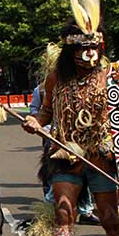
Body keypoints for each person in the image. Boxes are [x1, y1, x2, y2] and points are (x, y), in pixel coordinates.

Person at [22, 0, 119, 236]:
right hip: (63, 157)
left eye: (93, 49)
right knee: (63, 214)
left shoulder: (111, 76)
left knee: (110, 219)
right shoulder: (55, 79)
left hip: (100, 158)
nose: (88, 55)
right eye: (82, 49)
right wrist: (34, 121)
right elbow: (44, 114)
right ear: (71, 52)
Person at [31, 85, 100, 225]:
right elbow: (38, 111)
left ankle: (86, 211)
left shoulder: (93, 85)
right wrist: (39, 125)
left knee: (85, 175)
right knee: (56, 175)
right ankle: (49, 209)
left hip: (87, 140)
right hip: (58, 140)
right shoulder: (44, 88)